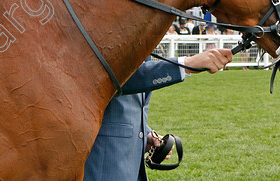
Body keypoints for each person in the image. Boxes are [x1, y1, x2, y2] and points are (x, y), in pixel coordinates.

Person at [84, 48, 234, 180]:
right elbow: (117, 79)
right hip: (103, 166)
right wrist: (186, 64)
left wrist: (145, 134)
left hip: (127, 165)